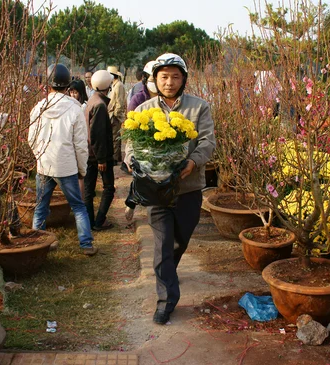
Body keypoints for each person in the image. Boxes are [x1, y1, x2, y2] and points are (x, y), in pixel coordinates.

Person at [124, 53, 216, 325]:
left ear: (184, 79)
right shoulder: (143, 109)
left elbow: (208, 142)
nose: (169, 82)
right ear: (155, 79)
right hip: (155, 190)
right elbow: (130, 146)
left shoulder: (199, 107)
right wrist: (133, 163)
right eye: (164, 76)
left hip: (188, 188)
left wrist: (192, 162)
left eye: (176, 76)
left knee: (180, 241)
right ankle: (166, 301)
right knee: (163, 246)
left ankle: (168, 271)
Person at [28, 63, 97, 256]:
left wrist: (40, 156)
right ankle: (86, 244)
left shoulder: (38, 108)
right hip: (66, 166)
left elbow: (30, 139)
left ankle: (36, 243)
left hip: (44, 164)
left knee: (40, 206)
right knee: (78, 206)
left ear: (47, 85)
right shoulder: (74, 110)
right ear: (68, 86)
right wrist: (81, 169)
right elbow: (80, 145)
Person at [124, 62, 159, 222]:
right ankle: (132, 203)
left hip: (161, 145)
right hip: (143, 145)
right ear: (145, 79)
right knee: (140, 177)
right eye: (151, 78)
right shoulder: (138, 98)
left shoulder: (168, 97)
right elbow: (130, 125)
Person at [83, 70, 116, 231]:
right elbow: (99, 135)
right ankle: (99, 221)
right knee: (109, 188)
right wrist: (102, 159)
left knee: (88, 190)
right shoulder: (100, 105)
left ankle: (89, 222)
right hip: (98, 156)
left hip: (89, 153)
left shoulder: (92, 100)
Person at [107, 65, 127, 165]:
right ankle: (117, 156)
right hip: (113, 114)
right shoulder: (115, 85)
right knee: (115, 137)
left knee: (115, 137)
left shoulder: (118, 85)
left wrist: (116, 115)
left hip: (115, 115)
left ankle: (115, 158)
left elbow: (119, 102)